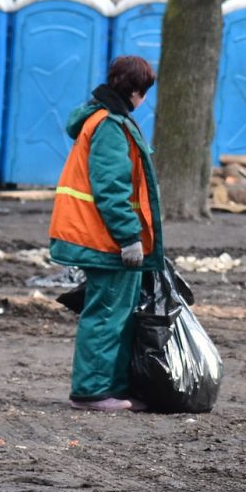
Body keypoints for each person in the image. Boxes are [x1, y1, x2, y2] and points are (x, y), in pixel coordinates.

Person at [48, 55, 164, 412]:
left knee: (113, 312)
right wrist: (130, 238)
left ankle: (108, 387)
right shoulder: (110, 126)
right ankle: (93, 391)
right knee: (107, 312)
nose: (143, 100)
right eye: (143, 93)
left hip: (98, 236)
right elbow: (111, 188)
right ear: (133, 91)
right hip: (105, 240)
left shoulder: (102, 119)